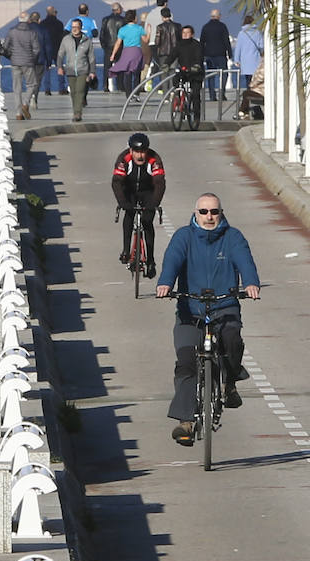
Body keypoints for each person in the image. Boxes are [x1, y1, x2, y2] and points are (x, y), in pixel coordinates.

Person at [155, 193, 259, 446]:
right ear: (195, 212)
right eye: (204, 212)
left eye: (214, 211)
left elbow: (245, 261)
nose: (209, 217)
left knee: (232, 340)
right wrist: (166, 283)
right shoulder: (184, 236)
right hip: (191, 311)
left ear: (221, 212)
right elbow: (172, 260)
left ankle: (230, 384)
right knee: (187, 361)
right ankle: (186, 422)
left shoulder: (233, 237)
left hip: (224, 306)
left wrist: (251, 283)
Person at [111, 133, 165, 278]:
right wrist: (122, 202)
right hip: (129, 191)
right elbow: (117, 182)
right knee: (129, 215)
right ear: (130, 151)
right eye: (136, 152)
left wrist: (154, 203)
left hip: (148, 191)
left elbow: (159, 182)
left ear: (147, 151)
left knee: (147, 221)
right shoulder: (124, 159)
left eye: (142, 152)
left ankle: (151, 260)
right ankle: (126, 250)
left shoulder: (154, 159)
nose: (140, 156)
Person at [3, 12, 40, 121]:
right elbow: (37, 49)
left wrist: (11, 56)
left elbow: (5, 47)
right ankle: (25, 103)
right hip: (28, 62)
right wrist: (32, 59)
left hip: (15, 62)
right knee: (32, 84)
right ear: (28, 20)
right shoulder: (32, 33)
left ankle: (19, 113)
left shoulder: (12, 31)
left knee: (17, 88)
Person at [57, 18, 94, 122]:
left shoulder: (87, 41)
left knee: (80, 91)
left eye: (76, 27)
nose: (74, 29)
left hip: (83, 69)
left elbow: (91, 57)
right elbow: (60, 54)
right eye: (73, 27)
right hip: (70, 69)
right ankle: (75, 111)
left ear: (81, 28)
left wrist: (92, 72)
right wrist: (59, 67)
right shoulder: (66, 40)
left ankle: (78, 113)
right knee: (73, 92)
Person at [167, 25, 203, 121]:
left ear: (192, 34)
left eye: (187, 33)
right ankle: (179, 100)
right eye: (183, 33)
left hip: (196, 73)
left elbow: (199, 57)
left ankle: (196, 116)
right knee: (176, 80)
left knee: (195, 94)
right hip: (183, 71)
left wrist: (197, 66)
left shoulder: (196, 45)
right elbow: (172, 55)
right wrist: (166, 64)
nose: (185, 35)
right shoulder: (179, 45)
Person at [109, 9, 146, 100]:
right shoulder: (139, 28)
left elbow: (118, 43)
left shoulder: (123, 29)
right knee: (137, 74)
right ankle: (136, 94)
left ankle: (128, 95)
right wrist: (149, 31)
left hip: (126, 51)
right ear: (134, 18)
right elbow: (145, 40)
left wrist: (113, 54)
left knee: (127, 74)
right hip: (137, 51)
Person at [199, 9, 231, 102]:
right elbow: (226, 41)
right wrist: (230, 53)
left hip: (208, 54)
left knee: (210, 76)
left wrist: (201, 55)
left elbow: (202, 42)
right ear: (219, 16)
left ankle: (212, 95)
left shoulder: (205, 27)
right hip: (221, 54)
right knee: (224, 74)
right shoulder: (222, 27)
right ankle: (222, 93)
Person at [28, 12, 53, 109]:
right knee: (37, 80)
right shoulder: (43, 30)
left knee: (29, 80)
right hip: (40, 59)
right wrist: (49, 61)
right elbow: (48, 47)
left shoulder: (25, 29)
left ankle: (29, 96)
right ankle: (34, 97)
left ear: (30, 19)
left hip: (27, 59)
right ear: (39, 20)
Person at [41, 5, 67, 95]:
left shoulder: (42, 23)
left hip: (46, 49)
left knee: (47, 69)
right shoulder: (59, 24)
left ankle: (47, 90)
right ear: (53, 13)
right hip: (57, 49)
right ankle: (62, 88)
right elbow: (62, 37)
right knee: (60, 67)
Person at [99, 2, 125, 93]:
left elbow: (102, 34)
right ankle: (120, 86)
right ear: (119, 10)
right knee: (120, 67)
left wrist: (104, 46)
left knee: (107, 67)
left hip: (108, 46)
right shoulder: (123, 20)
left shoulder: (105, 20)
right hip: (120, 46)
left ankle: (105, 86)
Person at [233, 15, 263, 89]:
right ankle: (254, 93)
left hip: (245, 61)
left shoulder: (241, 33)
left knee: (248, 80)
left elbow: (238, 48)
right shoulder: (257, 33)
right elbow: (261, 46)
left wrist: (236, 60)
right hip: (255, 59)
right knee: (255, 79)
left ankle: (249, 93)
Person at [154, 8, 180, 86]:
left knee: (164, 74)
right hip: (175, 53)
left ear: (162, 16)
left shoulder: (160, 27)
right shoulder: (177, 26)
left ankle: (166, 95)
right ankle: (173, 93)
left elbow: (157, 42)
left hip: (163, 53)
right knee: (173, 73)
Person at [144, 0, 166, 83]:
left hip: (152, 42)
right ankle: (162, 85)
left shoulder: (150, 14)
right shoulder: (167, 14)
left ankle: (150, 78)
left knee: (158, 63)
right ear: (165, 3)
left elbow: (146, 29)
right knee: (164, 64)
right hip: (164, 43)